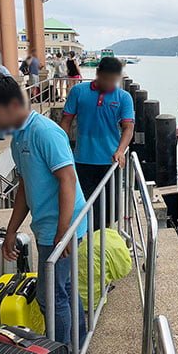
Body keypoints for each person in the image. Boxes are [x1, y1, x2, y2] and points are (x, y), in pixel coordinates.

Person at [0, 73, 86, 344]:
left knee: (51, 297)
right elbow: (24, 187)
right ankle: (78, 340)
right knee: (63, 289)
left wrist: (64, 232)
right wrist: (11, 231)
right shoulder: (19, 138)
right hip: (47, 225)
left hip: (62, 226)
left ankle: (63, 348)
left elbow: (68, 180)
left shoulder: (45, 132)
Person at [59, 57, 134, 227]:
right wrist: (62, 148)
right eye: (107, 79)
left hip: (110, 161)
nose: (110, 84)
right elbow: (66, 121)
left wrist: (121, 150)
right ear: (98, 73)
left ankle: (103, 241)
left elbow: (128, 127)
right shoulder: (78, 92)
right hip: (81, 160)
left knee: (108, 210)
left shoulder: (123, 97)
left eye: (114, 80)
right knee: (82, 205)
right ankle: (85, 241)